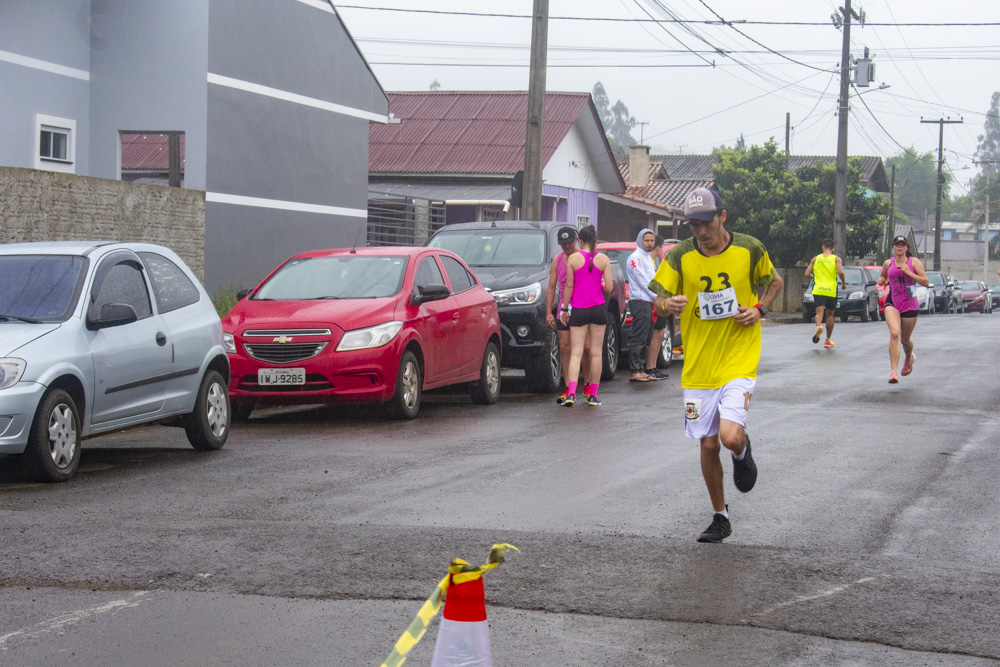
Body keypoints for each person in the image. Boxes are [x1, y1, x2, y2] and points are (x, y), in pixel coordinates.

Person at [650, 188, 783, 543]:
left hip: (739, 357)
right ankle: (720, 517)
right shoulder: (679, 255)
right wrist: (668, 303)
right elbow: (659, 297)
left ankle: (741, 450)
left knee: (728, 437)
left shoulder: (749, 248)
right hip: (697, 366)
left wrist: (761, 309)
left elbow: (775, 281)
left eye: (706, 223)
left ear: (722, 216)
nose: (700, 232)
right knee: (707, 446)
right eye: (694, 225)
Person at [560, 225, 613, 406]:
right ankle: (593, 395)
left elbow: (568, 287)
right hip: (598, 309)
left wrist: (564, 309)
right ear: (595, 241)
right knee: (597, 353)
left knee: (576, 352)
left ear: (579, 241)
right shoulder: (603, 259)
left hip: (579, 309)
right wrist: (602, 283)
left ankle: (572, 394)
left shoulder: (573, 259)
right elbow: (610, 287)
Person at [545, 226, 592, 404]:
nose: (566, 247)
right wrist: (549, 311)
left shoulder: (585, 257)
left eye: (569, 243)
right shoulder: (557, 260)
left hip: (582, 307)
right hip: (564, 309)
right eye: (563, 244)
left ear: (576, 240)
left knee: (586, 348)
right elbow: (551, 287)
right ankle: (568, 387)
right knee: (565, 348)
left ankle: (587, 384)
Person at [878, 235, 929, 384]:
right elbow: (883, 279)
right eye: (897, 244)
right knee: (894, 333)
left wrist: (909, 272)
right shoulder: (888, 263)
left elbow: (925, 282)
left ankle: (909, 358)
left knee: (905, 340)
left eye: (903, 245)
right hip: (893, 301)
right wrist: (881, 281)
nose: (899, 247)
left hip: (909, 302)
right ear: (893, 247)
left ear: (907, 248)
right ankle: (893, 372)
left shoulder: (914, 262)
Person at [625, 228, 659, 382]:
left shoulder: (648, 258)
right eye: (647, 240)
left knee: (646, 337)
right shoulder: (635, 258)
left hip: (650, 301)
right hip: (640, 301)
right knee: (638, 337)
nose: (650, 243)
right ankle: (635, 370)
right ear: (640, 240)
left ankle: (641, 368)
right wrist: (658, 297)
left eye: (652, 240)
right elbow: (644, 282)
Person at [803, 238, 847, 348]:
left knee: (819, 313)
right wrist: (843, 283)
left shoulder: (815, 259)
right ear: (833, 248)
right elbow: (840, 272)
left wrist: (814, 277)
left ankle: (818, 326)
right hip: (831, 290)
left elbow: (807, 273)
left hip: (818, 289)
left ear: (823, 247)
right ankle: (828, 340)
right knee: (830, 314)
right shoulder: (836, 259)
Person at [645, 235, 669, 380]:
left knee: (660, 334)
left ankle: (653, 366)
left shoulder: (653, 262)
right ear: (659, 247)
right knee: (655, 334)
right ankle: (649, 367)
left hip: (659, 300)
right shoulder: (648, 261)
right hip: (653, 301)